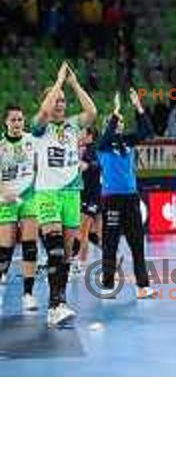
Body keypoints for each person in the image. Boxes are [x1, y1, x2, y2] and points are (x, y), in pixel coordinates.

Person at [33, 61, 97, 326]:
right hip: (48, 193)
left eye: (63, 101)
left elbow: (92, 111)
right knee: (56, 250)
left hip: (72, 193)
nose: (60, 104)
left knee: (68, 254)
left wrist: (72, 84)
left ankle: (57, 304)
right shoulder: (39, 126)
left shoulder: (72, 125)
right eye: (56, 101)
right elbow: (45, 111)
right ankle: (55, 305)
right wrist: (58, 82)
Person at [97, 89, 156, 299]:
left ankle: (142, 286)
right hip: (111, 198)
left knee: (137, 242)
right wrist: (115, 111)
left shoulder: (128, 142)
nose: (119, 126)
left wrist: (138, 107)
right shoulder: (102, 145)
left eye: (122, 123)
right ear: (108, 125)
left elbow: (146, 131)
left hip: (131, 197)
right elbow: (106, 137)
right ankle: (107, 284)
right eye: (116, 123)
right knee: (110, 242)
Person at [0, 105, 39, 311]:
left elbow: (39, 165)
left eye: (20, 120)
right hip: (5, 198)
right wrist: (4, 192)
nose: (17, 124)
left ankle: (28, 294)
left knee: (30, 245)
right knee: (5, 248)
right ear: (6, 122)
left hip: (28, 196)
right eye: (13, 120)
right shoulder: (0, 145)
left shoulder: (31, 140)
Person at [74, 127, 102, 266]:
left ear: (90, 135)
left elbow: (97, 165)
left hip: (92, 196)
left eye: (81, 133)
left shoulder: (93, 149)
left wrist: (86, 165)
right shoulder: (82, 149)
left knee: (82, 231)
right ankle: (111, 258)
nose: (79, 135)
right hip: (88, 194)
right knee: (95, 233)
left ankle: (81, 263)